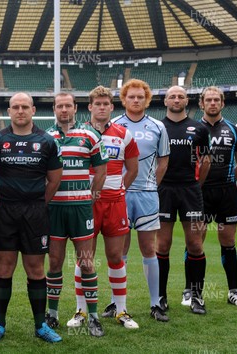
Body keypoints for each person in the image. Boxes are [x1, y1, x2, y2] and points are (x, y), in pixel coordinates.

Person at [0, 92, 63, 343]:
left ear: (33, 110)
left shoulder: (47, 141)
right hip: (4, 211)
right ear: (9, 111)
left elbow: (54, 180)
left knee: (35, 269)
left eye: (24, 107)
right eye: (15, 107)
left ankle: (41, 325)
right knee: (4, 267)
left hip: (34, 212)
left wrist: (39, 203)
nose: (20, 111)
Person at [43, 92, 108, 337]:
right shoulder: (46, 137)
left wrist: (90, 197)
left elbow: (101, 171)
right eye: (59, 106)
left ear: (75, 108)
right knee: (55, 262)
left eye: (68, 105)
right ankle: (53, 315)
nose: (64, 110)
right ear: (54, 109)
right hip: (55, 210)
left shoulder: (90, 135)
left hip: (81, 210)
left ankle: (93, 317)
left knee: (87, 262)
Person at [110, 79, 170, 322]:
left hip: (146, 195)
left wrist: (151, 184)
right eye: (131, 97)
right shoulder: (114, 125)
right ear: (124, 100)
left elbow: (163, 161)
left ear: (147, 100)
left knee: (148, 248)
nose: (136, 100)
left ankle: (155, 303)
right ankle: (116, 303)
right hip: (119, 195)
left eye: (140, 97)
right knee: (118, 251)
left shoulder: (158, 127)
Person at [82, 86, 140, 329]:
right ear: (90, 107)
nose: (102, 107)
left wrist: (119, 190)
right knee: (85, 257)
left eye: (106, 103)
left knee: (115, 256)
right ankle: (81, 311)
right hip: (87, 203)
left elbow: (133, 168)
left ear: (111, 107)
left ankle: (121, 309)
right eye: (98, 103)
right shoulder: (80, 134)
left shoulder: (124, 134)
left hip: (115, 203)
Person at [157, 85, 211, 315]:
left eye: (180, 96)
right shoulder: (158, 127)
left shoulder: (199, 128)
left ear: (186, 100)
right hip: (164, 190)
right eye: (172, 96)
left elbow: (206, 161)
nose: (176, 99)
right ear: (165, 101)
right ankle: (160, 297)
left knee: (195, 244)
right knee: (162, 245)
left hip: (190, 190)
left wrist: (196, 186)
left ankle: (196, 296)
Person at [196, 86, 237, 308]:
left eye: (216, 100)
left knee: (228, 242)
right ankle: (192, 291)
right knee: (196, 243)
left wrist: (227, 181)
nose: (213, 103)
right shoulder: (193, 128)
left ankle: (233, 291)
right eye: (208, 100)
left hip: (226, 192)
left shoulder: (235, 129)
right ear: (202, 104)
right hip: (199, 192)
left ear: (222, 103)